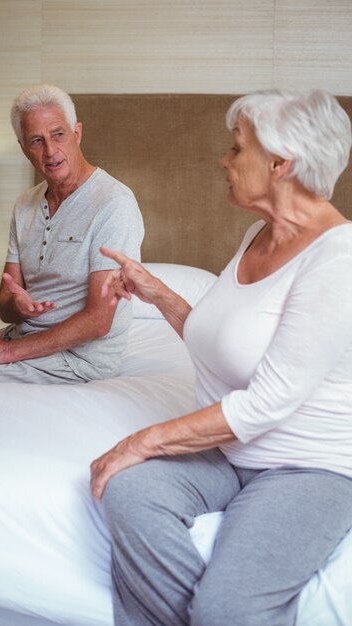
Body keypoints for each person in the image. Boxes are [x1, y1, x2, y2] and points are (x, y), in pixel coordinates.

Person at [90, 89, 352, 626]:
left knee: (227, 607)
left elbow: (267, 403)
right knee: (126, 489)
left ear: (282, 164)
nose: (224, 161)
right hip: (227, 455)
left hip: (306, 467)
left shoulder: (338, 260)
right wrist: (156, 292)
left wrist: (143, 440)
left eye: (237, 148)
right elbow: (222, 347)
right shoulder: (260, 234)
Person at [0, 84, 144, 384]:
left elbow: (99, 322)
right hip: (22, 339)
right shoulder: (25, 205)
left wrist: (6, 353)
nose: (50, 151)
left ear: (77, 133)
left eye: (58, 134)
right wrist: (16, 305)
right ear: (22, 147)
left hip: (76, 360)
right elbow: (4, 302)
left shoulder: (113, 203)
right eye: (36, 140)